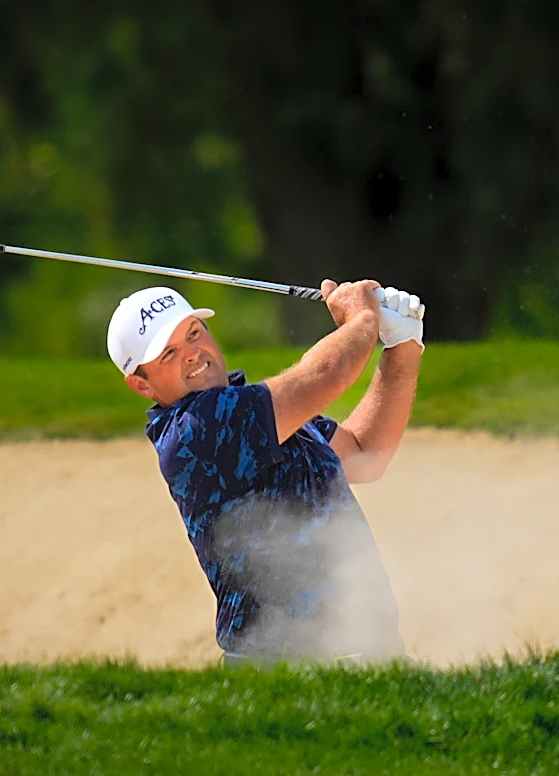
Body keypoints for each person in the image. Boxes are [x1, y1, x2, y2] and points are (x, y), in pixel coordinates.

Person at [106, 278, 424, 666]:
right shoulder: (196, 431)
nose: (192, 353)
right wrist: (362, 318)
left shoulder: (259, 415)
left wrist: (403, 346)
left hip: (369, 652)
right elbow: (328, 373)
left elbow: (365, 452)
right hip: (284, 667)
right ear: (141, 383)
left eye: (193, 333)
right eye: (168, 353)